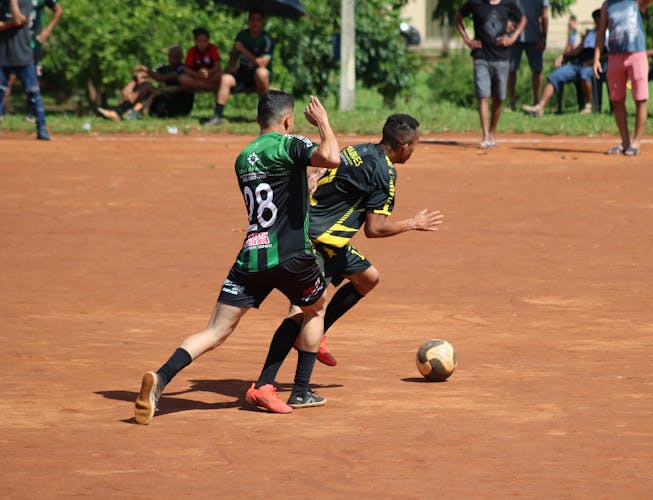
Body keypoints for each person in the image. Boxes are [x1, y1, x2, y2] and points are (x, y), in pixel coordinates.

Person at [134, 91, 341, 424]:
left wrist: (306, 186)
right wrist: (324, 123)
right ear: (288, 120)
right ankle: (301, 390)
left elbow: (272, 197)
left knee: (215, 331)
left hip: (252, 257)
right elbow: (332, 157)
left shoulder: (244, 156)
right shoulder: (288, 144)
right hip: (292, 256)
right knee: (315, 307)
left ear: (258, 119)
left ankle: (161, 378)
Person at [250, 114, 443, 392]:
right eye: (415, 145)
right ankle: (274, 385)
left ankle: (318, 334)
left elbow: (321, 170)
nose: (414, 150)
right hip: (316, 241)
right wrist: (413, 223)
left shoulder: (357, 149)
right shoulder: (386, 173)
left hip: (330, 239)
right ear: (403, 147)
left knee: (368, 278)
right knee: (303, 315)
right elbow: (374, 229)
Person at [454, 0, 526, 150]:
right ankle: (485, 135)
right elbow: (458, 18)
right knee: (483, 96)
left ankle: (492, 132)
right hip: (481, 57)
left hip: (502, 57)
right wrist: (467, 40)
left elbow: (523, 19)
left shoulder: (508, 3)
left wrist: (512, 38)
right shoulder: (475, 3)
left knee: (498, 98)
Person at [593, 0, 653, 156]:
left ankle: (636, 141)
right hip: (615, 57)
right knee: (617, 100)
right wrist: (596, 58)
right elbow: (601, 32)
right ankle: (625, 141)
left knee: (640, 98)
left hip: (636, 54)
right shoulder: (607, 5)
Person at [522, 9, 606, 117]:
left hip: (594, 66)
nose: (597, 21)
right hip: (578, 64)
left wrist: (593, 62)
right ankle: (540, 107)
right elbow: (578, 50)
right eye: (595, 19)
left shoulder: (608, 34)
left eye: (599, 19)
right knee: (555, 76)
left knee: (585, 73)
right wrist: (564, 56)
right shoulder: (590, 34)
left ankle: (588, 106)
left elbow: (608, 54)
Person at [204, 9, 273, 127]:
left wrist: (244, 50)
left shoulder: (267, 39)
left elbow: (262, 63)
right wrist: (231, 65)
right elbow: (234, 54)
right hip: (243, 73)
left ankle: (266, 113)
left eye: (258, 20)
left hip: (258, 77)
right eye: (252, 20)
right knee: (225, 79)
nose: (255, 23)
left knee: (261, 73)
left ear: (263, 22)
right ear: (248, 21)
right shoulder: (242, 35)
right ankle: (218, 115)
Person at [98, 45, 193, 121]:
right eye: (170, 56)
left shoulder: (184, 69)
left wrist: (145, 69)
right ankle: (122, 111)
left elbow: (161, 78)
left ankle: (122, 112)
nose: (172, 59)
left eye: (175, 57)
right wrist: (131, 85)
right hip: (164, 102)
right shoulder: (165, 67)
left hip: (179, 105)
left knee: (147, 87)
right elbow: (143, 75)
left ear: (181, 57)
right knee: (143, 84)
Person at [1, 0, 62, 116]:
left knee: (33, 81)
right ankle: (2, 111)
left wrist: (47, 31)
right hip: (10, 43)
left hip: (31, 43)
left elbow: (58, 10)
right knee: (7, 80)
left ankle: (33, 114)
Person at [0, 0, 50, 139]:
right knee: (0, 92)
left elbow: (20, 20)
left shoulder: (26, 2)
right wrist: (9, 24)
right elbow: (15, 22)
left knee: (33, 93)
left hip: (23, 55)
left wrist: (13, 4)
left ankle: (42, 128)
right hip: (3, 54)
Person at [506, 0, 549, 109]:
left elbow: (545, 15)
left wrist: (544, 37)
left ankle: (536, 101)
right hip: (514, 37)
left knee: (537, 70)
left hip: (535, 37)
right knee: (510, 69)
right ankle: (511, 103)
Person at [177, 27, 222, 92]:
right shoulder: (192, 51)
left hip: (210, 76)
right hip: (196, 77)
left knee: (222, 75)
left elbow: (217, 66)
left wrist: (208, 72)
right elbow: (187, 69)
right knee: (182, 78)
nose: (202, 44)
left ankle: (201, 85)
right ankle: (208, 86)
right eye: (200, 41)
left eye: (205, 41)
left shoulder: (212, 48)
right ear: (195, 41)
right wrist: (198, 75)